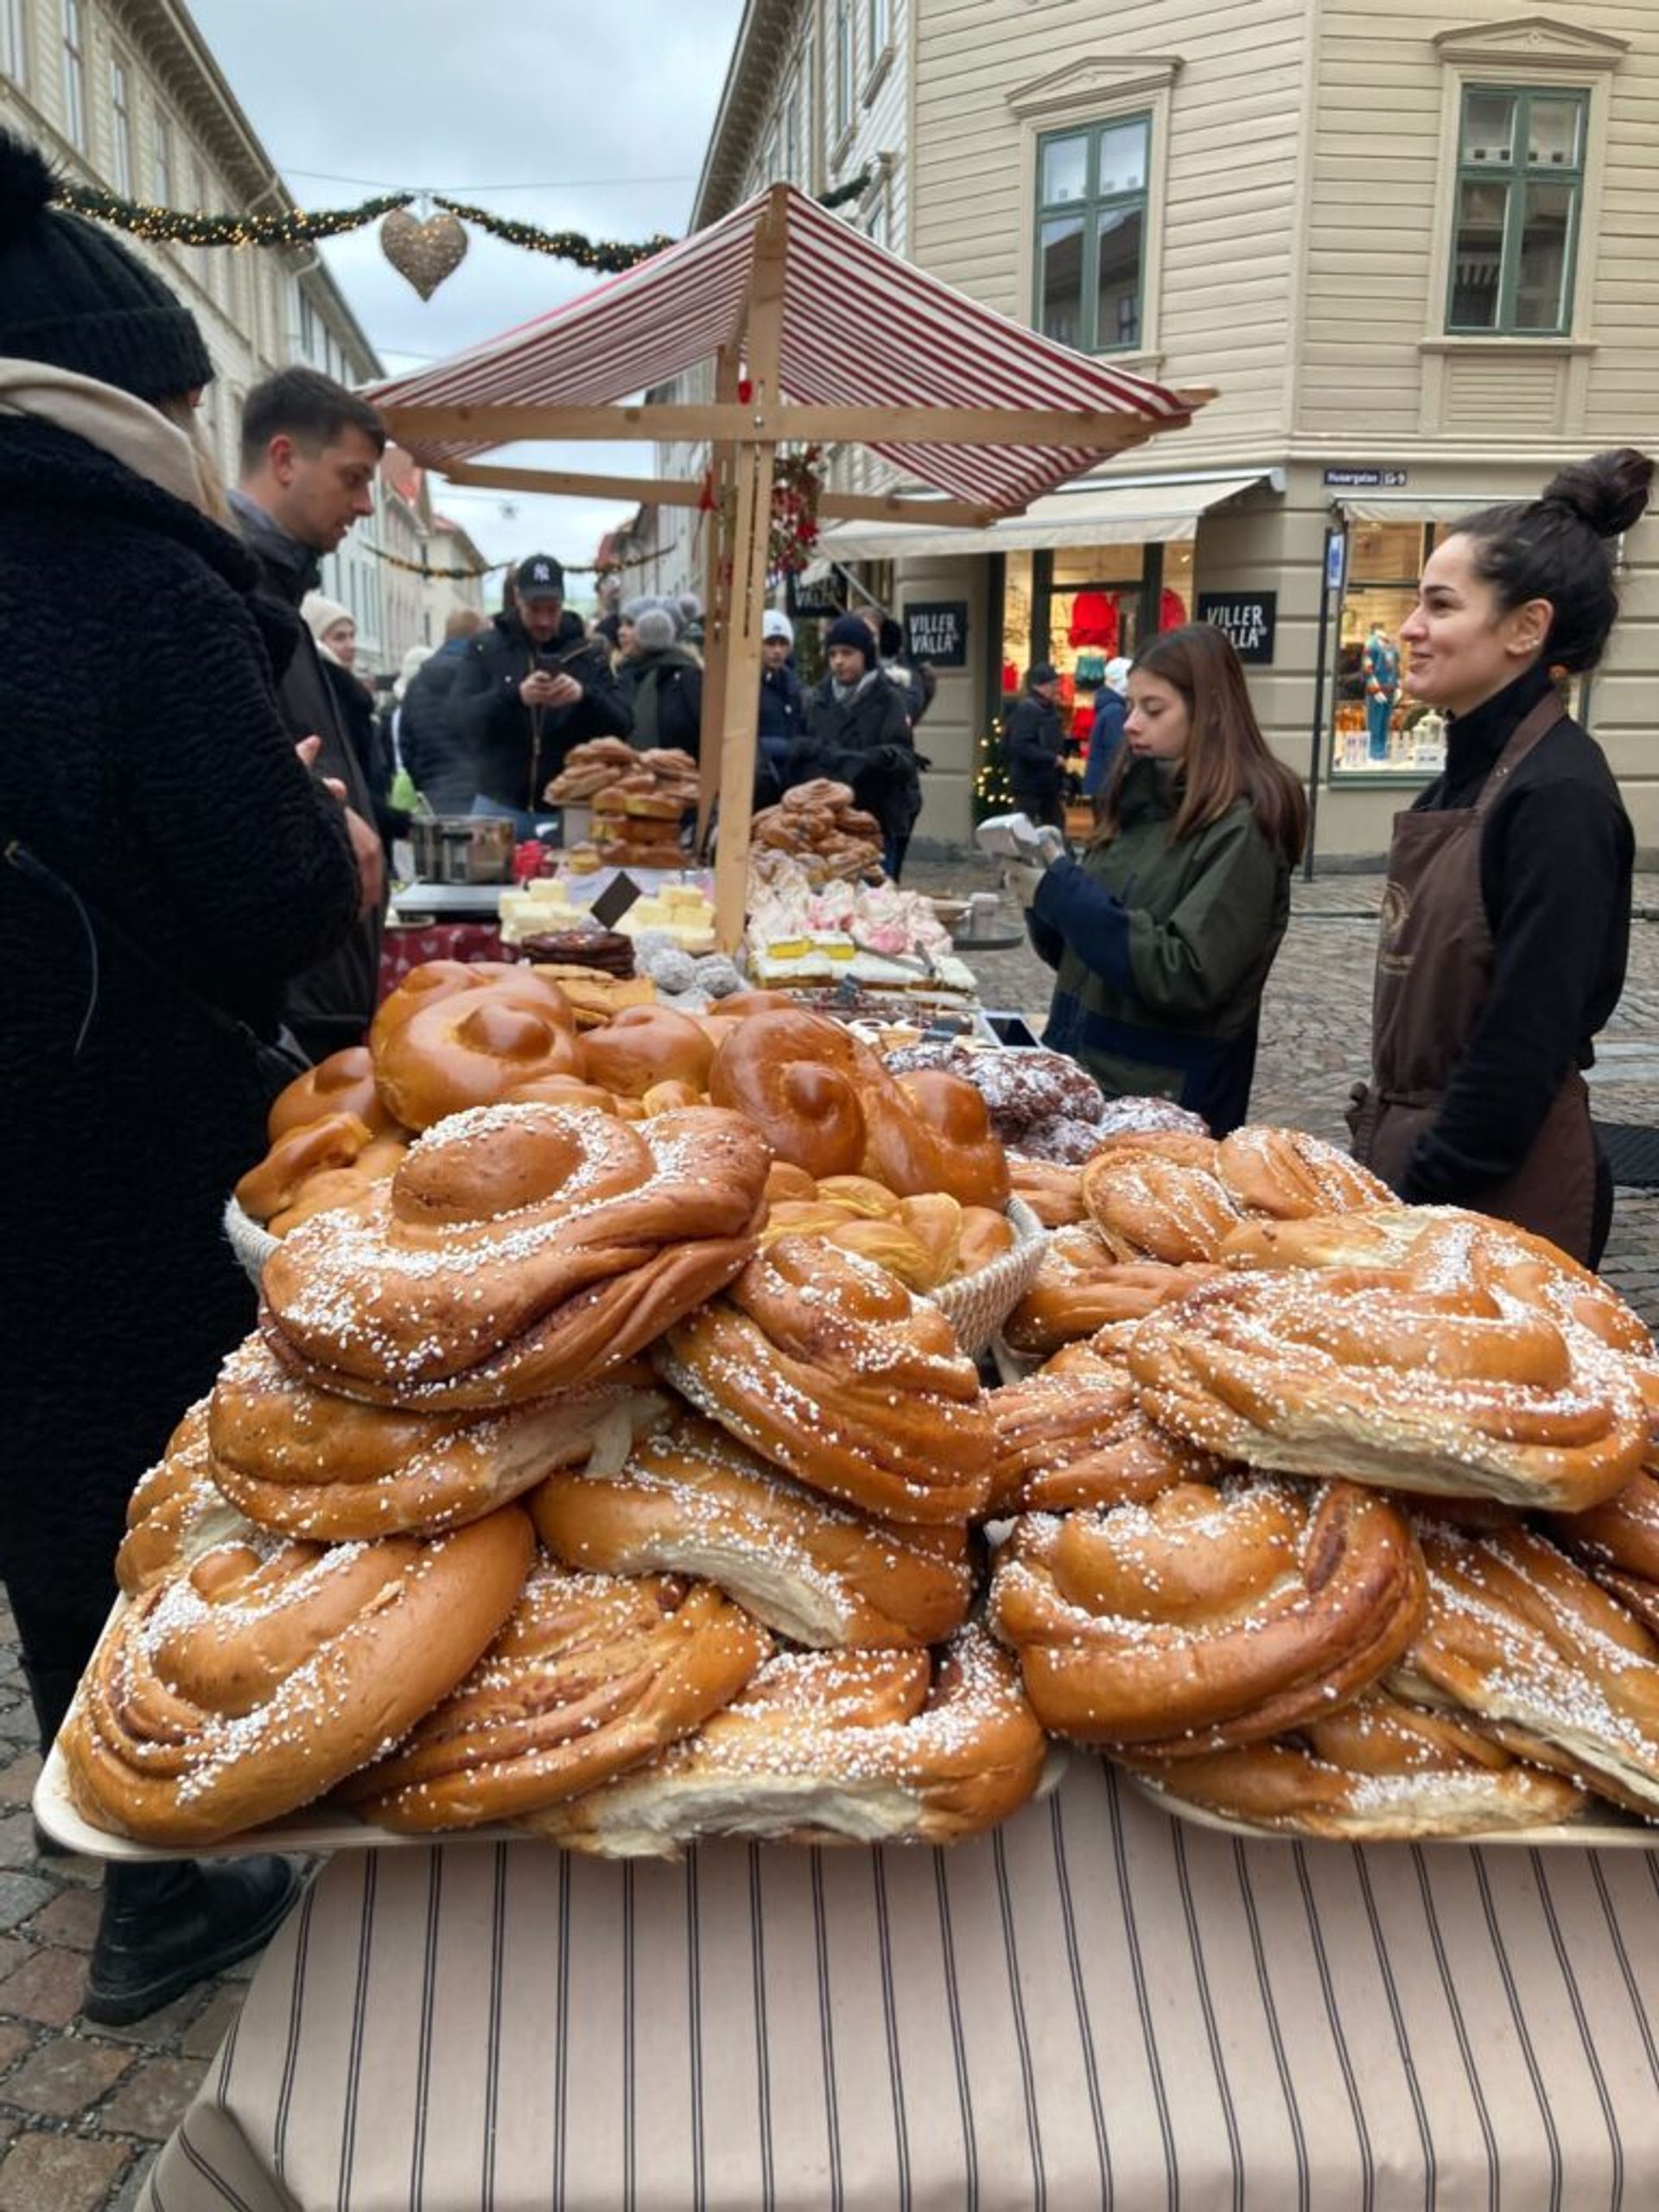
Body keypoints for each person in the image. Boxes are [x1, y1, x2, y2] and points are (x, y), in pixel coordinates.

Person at [0, 132, 366, 2023]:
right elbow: (268, 893)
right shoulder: (134, 587)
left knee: (41, 1490)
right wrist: (332, 849)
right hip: (123, 1137)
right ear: (137, 407)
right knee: (163, 1493)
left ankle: (101, 1829)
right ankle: (174, 1868)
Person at [1349, 449, 1652, 1267]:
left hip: (1491, 1199)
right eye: (1417, 603)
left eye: (1440, 606)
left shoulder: (1558, 797)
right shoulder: (1466, 774)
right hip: (1421, 1171)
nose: (1410, 628)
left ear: (1526, 628)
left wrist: (1416, 1198)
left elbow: (1521, 1043)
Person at [1006, 623, 1306, 1135]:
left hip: (1163, 1100)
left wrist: (1067, 896)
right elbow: (1087, 958)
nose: (1130, 724)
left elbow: (1187, 974)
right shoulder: (1138, 802)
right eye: (1131, 706)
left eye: (1153, 708)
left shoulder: (1244, 825)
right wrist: (1043, 901)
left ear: (1207, 713)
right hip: (1086, 1080)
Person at [232, 367, 389, 1059]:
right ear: (286, 459)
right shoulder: (225, 583)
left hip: (323, 969)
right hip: (295, 983)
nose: (364, 506)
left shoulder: (280, 590)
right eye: (353, 478)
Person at [449, 554, 632, 830]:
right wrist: (515, 696)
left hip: (571, 809)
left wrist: (584, 696)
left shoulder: (588, 654)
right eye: (534, 609)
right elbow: (459, 719)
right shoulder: (485, 648)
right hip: (498, 805)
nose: (544, 621)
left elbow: (625, 722)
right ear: (517, 599)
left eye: (553, 609)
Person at [789, 613, 924, 879]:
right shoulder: (817, 701)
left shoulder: (889, 700)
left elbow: (904, 758)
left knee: (875, 904)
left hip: (878, 823)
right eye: (833, 654)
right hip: (828, 828)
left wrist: (876, 759)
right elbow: (804, 755)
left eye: (847, 653)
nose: (839, 661)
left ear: (865, 655)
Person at [302, 593, 406, 858]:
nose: (351, 645)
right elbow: (349, 776)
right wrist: (400, 822)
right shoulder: (334, 694)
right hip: (356, 829)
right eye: (339, 637)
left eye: (352, 635)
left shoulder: (348, 692)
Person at [397, 605, 486, 814]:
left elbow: (406, 745)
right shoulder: (483, 678)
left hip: (435, 795)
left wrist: (425, 783)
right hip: (481, 798)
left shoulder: (417, 684)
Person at [618, 594, 703, 755]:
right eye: (621, 624)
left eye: (630, 624)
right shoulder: (626, 674)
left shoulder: (687, 676)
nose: (620, 632)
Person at [1002, 663, 1066, 830]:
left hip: (1045, 783)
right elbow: (1020, 745)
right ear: (1038, 686)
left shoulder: (1046, 708)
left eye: (1057, 685)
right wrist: (1052, 758)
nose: (1056, 689)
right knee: (1024, 829)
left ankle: (1055, 855)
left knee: (1054, 826)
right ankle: (1021, 856)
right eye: (1053, 685)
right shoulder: (1028, 709)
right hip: (1029, 784)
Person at [758, 608, 806, 786]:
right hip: (760, 782)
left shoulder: (796, 689)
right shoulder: (747, 688)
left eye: (783, 643)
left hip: (792, 783)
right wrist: (786, 748)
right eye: (770, 643)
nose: (777, 650)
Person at [1083, 654, 1130, 803]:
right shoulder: (1116, 711)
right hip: (1109, 787)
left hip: (1103, 785)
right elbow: (1116, 751)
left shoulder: (1109, 708)